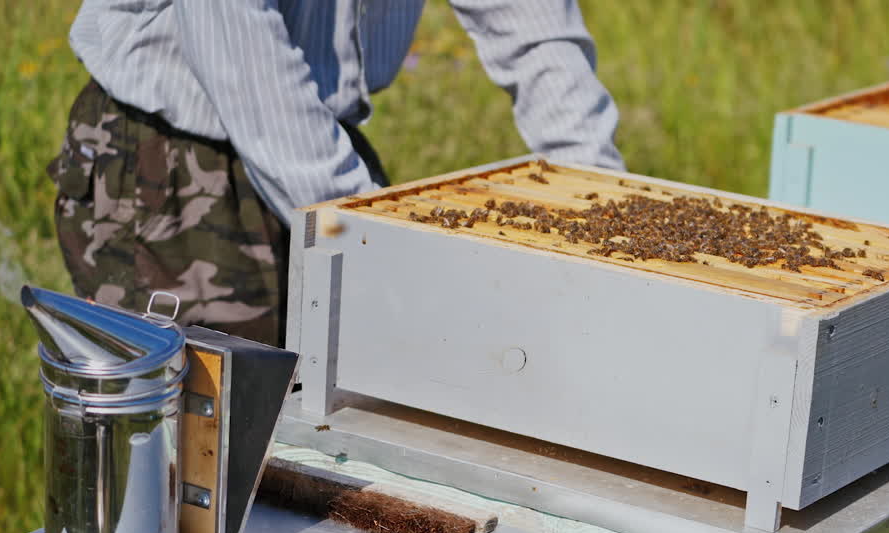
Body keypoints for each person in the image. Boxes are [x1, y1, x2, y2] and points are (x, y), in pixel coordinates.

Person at [48, 0, 624, 346]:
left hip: (321, 137)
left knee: (335, 452)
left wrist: (599, 196)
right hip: (174, 169)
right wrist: (377, 236)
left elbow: (529, 24)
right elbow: (238, 48)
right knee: (200, 475)